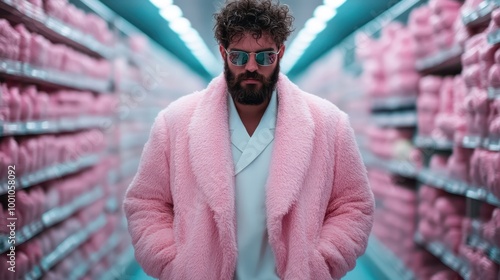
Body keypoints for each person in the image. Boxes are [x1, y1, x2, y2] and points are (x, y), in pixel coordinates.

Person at [123, 0, 374, 279]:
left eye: (264, 57)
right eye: (239, 57)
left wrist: (320, 263)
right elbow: (145, 203)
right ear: (223, 53)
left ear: (280, 53)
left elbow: (354, 205)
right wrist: (174, 265)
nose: (251, 67)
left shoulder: (330, 124)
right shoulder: (175, 123)